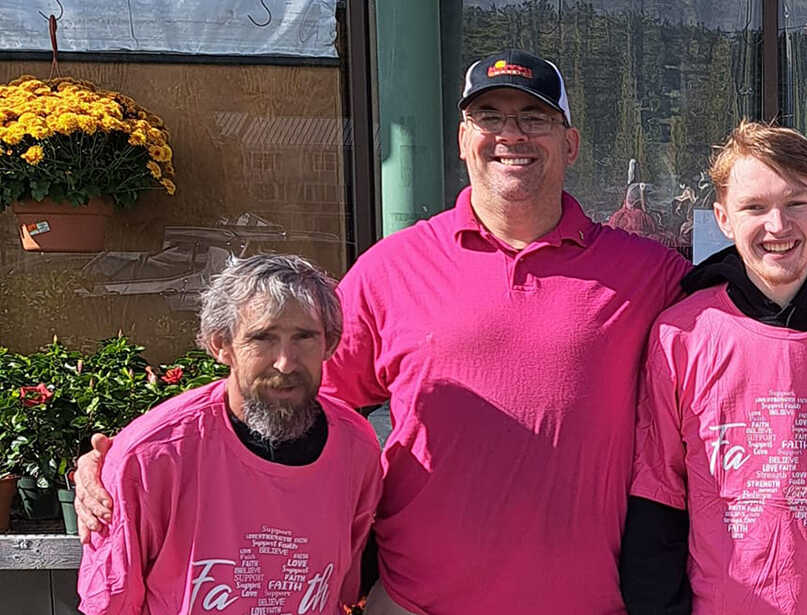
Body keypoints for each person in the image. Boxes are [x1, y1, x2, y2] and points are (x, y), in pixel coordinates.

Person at [73, 49, 693, 614]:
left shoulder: (647, 274)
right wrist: (127, 462)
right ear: (461, 140)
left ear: (571, 142)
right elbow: (291, 394)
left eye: (534, 118)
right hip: (412, 600)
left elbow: (736, 372)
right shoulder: (393, 267)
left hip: (586, 603)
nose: (511, 135)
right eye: (490, 117)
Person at [621, 120, 807, 615]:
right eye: (754, 207)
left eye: (795, 203)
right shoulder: (682, 337)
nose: (778, 226)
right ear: (722, 217)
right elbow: (659, 497)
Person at [78, 254, 381, 615]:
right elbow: (109, 602)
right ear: (221, 345)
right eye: (263, 338)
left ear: (329, 345)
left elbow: (345, 589)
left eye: (304, 337)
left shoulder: (356, 449)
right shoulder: (152, 456)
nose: (285, 362)